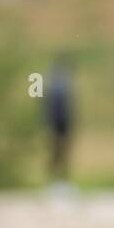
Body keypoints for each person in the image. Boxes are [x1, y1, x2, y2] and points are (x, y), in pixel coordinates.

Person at [42, 55, 75, 183]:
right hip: (59, 125)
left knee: (59, 153)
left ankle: (58, 179)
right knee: (58, 153)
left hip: (59, 125)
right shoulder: (61, 87)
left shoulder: (54, 85)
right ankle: (57, 179)